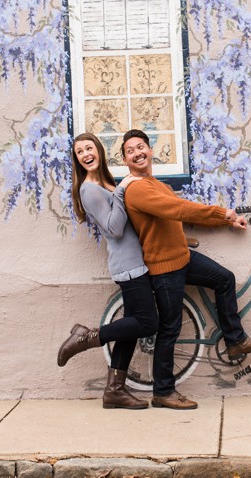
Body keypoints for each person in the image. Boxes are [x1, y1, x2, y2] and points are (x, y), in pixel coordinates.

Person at [121, 129, 251, 410]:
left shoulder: (156, 184)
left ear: (151, 151)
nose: (138, 153)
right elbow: (178, 209)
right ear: (125, 160)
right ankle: (163, 391)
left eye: (142, 147)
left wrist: (226, 221)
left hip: (182, 257)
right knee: (170, 329)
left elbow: (182, 217)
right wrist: (220, 213)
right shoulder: (137, 188)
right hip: (164, 267)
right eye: (131, 150)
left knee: (224, 279)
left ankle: (235, 340)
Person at [58, 132, 158, 410]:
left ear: (99, 151)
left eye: (89, 148)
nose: (86, 154)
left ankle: (114, 390)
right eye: (80, 152)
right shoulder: (89, 189)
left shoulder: (106, 182)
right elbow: (114, 229)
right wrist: (125, 188)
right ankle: (88, 336)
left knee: (131, 328)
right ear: (77, 160)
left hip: (135, 260)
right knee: (149, 323)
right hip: (128, 265)